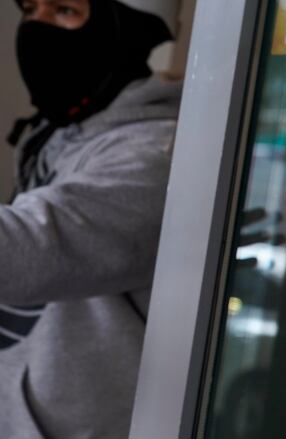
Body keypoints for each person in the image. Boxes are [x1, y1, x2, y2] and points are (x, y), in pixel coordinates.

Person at [1, 0, 181, 437]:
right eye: (30, 10)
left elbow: (32, 248)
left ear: (126, 32)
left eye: (64, 10)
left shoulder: (158, 156)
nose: (35, 28)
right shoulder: (61, 135)